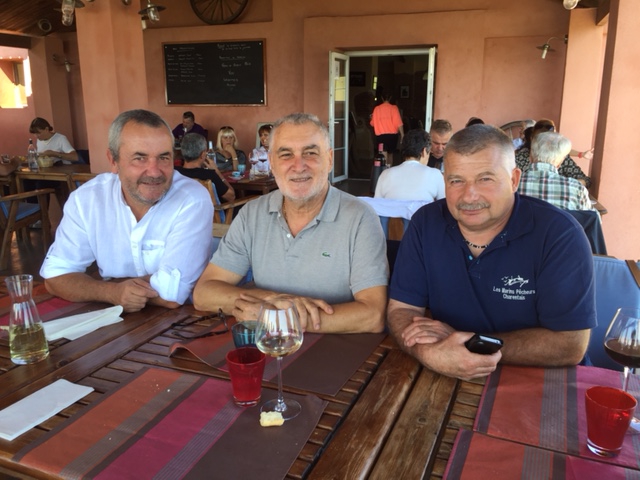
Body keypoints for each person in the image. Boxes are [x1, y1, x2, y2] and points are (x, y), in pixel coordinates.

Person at [387, 124, 595, 380]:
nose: (469, 195)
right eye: (456, 181)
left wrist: (471, 344)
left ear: (514, 180)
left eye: (485, 179)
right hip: (445, 371)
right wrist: (428, 354)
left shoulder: (559, 234)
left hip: (541, 381)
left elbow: (570, 344)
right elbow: (401, 310)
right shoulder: (425, 224)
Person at [194, 113, 388, 333]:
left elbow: (373, 315)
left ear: (330, 160)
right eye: (286, 154)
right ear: (272, 163)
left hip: (337, 355)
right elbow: (203, 294)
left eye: (311, 153)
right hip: (269, 347)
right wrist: (270, 300)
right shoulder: (252, 214)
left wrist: (280, 317)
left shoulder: (361, 218)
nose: (299, 165)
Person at [40, 109, 214, 312]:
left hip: (178, 324)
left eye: (164, 158)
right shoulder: (87, 199)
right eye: (140, 158)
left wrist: (100, 285)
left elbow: (171, 294)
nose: (155, 171)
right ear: (113, 161)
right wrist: (112, 292)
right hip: (112, 323)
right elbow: (55, 277)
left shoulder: (191, 199)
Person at [518, 132, 595, 211]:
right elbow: (591, 219)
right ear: (560, 163)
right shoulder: (577, 189)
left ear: (530, 157)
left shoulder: (513, 184)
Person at [515, 118, 592, 187]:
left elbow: (586, 180)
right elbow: (511, 178)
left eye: (550, 140)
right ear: (532, 139)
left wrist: (566, 185)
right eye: (541, 140)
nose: (545, 144)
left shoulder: (561, 156)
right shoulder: (522, 156)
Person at [374, 129, 445, 202]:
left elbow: (376, 206)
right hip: (421, 213)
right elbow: (444, 205)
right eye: (428, 153)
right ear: (424, 151)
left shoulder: (385, 174)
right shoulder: (435, 174)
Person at [176, 133, 235, 202]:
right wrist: (217, 171)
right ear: (203, 154)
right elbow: (231, 196)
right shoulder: (209, 175)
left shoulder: (175, 172)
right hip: (211, 212)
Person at [370, 94, 404, 166]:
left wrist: (372, 117)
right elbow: (399, 123)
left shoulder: (377, 109)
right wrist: (402, 135)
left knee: (383, 154)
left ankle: (383, 171)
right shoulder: (394, 108)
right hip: (392, 136)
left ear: (382, 98)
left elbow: (372, 123)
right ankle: (389, 169)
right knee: (390, 154)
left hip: (381, 136)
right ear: (390, 98)